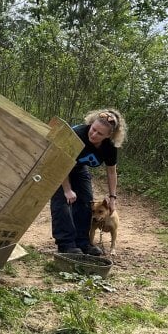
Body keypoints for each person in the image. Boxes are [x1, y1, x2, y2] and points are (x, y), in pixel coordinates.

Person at [50, 109, 127, 255]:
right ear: (91, 124)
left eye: (100, 134)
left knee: (86, 201)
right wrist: (67, 189)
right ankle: (66, 244)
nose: (94, 134)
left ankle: (83, 242)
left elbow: (111, 172)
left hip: (78, 168)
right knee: (62, 201)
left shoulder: (110, 147)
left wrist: (112, 198)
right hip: (57, 163)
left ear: (109, 135)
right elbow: (60, 162)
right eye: (93, 129)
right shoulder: (77, 134)